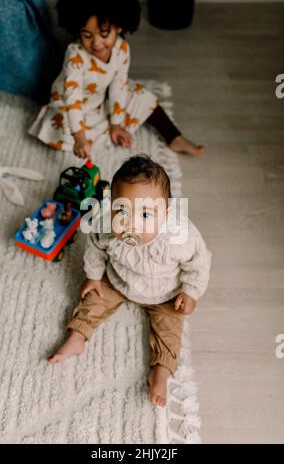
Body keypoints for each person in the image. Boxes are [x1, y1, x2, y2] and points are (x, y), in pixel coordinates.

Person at [49, 155, 211, 408]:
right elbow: (94, 248)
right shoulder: (106, 227)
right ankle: (77, 336)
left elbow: (199, 262)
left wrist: (190, 291)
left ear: (165, 214)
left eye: (146, 214)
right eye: (122, 211)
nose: (131, 224)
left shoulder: (180, 236)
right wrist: (93, 276)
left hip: (165, 292)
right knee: (93, 299)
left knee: (170, 328)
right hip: (119, 279)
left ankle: (160, 372)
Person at [28, 0, 205, 159]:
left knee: (142, 95)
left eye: (104, 34)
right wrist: (80, 136)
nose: (96, 43)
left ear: (119, 26)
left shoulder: (122, 48)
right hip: (71, 105)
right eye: (87, 35)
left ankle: (174, 138)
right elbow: (72, 98)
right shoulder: (75, 54)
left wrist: (116, 123)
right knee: (68, 129)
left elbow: (118, 86)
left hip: (99, 99)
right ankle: (86, 136)